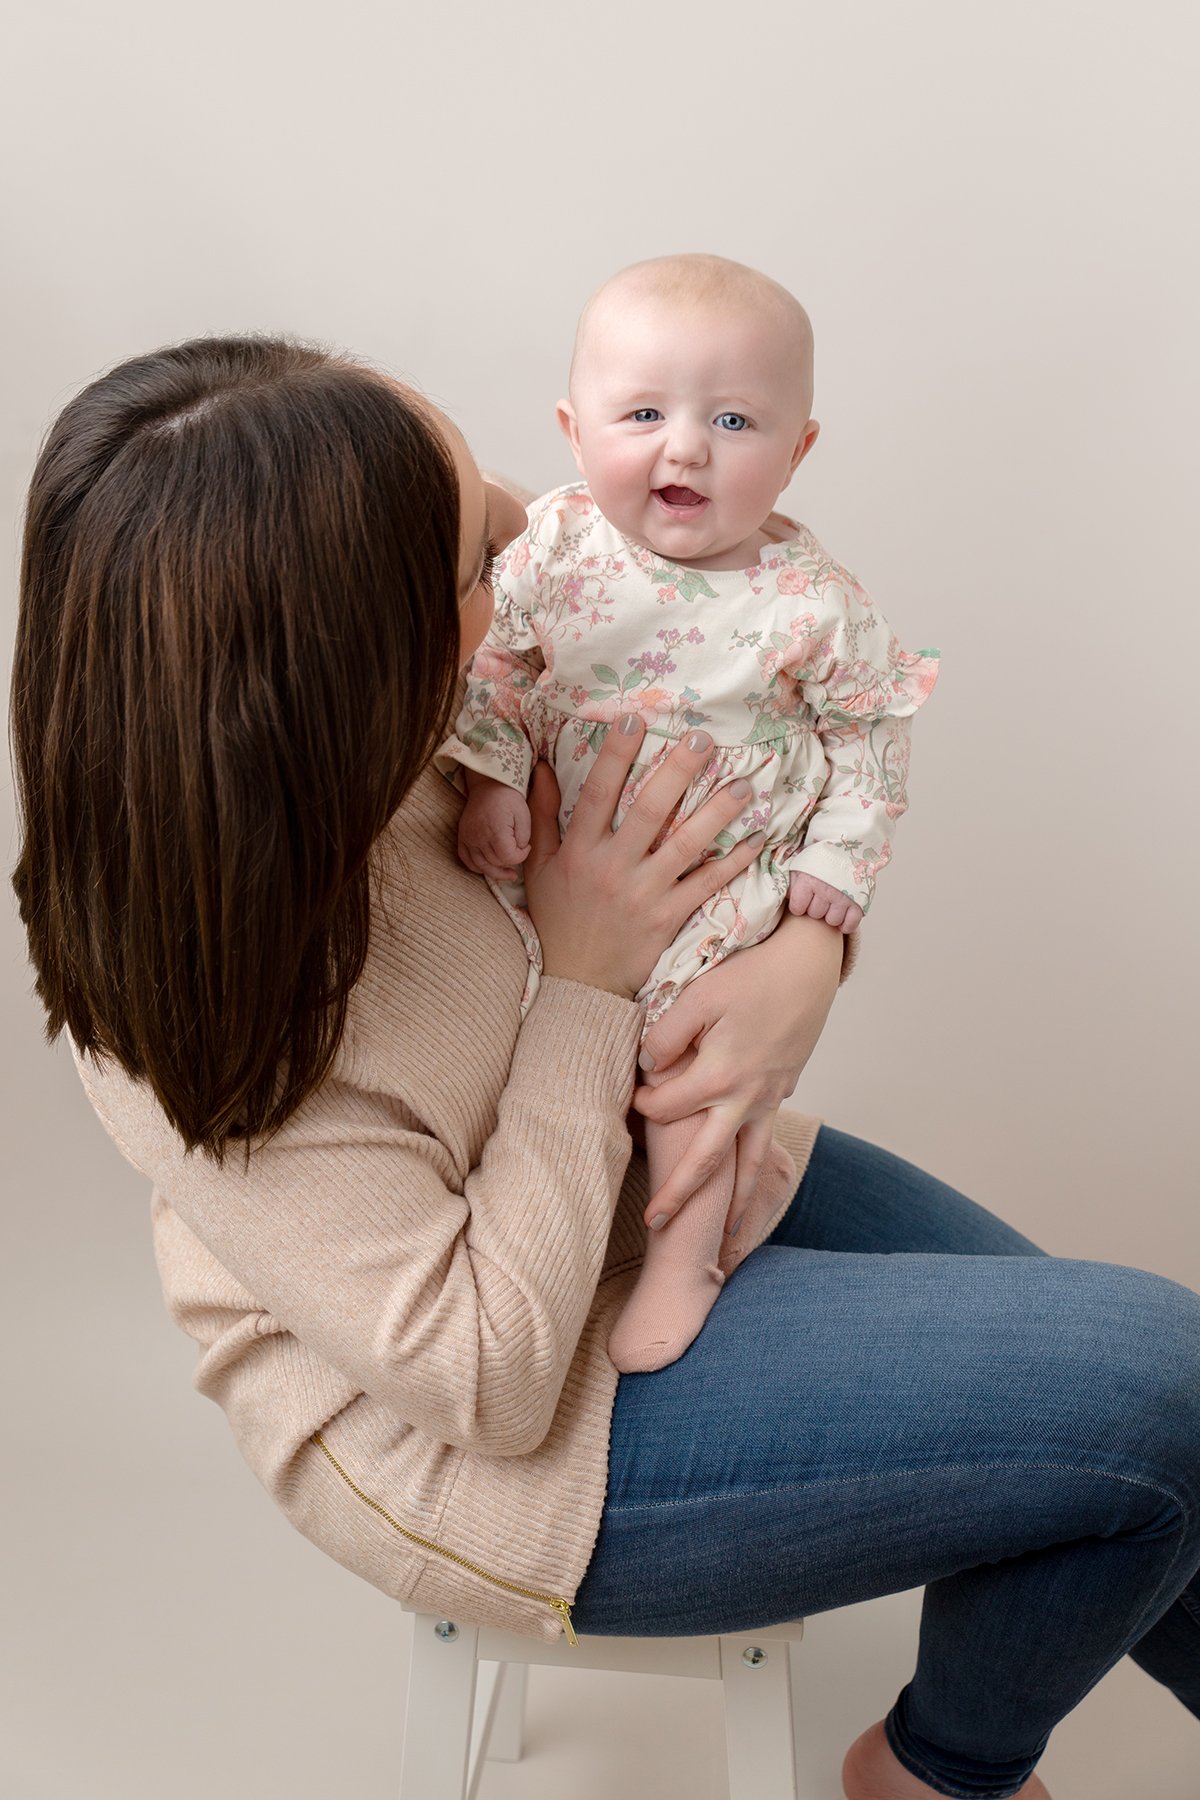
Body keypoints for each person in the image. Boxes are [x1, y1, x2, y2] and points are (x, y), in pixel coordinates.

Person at [10, 334, 1199, 1800]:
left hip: (641, 1180)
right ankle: (941, 1774)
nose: (531, 542)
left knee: (1177, 1420)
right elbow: (487, 1379)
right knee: (1164, 1387)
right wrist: (585, 977)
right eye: (477, 560)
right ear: (358, 654)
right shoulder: (195, 1010)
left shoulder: (397, 684)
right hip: (507, 1444)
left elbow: (725, 748)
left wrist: (803, 972)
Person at [435, 253, 939, 1372]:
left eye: (734, 419)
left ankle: (688, 1248)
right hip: (561, 872)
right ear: (575, 430)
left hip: (724, 883)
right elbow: (499, 670)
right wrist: (492, 778)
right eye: (646, 412)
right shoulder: (548, 550)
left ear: (799, 450)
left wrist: (838, 881)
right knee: (537, 1041)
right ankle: (568, 1235)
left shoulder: (812, 602)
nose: (687, 447)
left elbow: (869, 735)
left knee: (687, 1063)